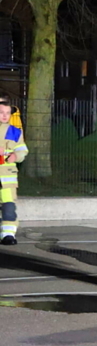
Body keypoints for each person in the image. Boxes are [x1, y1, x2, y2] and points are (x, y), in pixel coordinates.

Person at [0, 99, 28, 245]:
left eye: (7, 113)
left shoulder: (15, 131)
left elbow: (22, 150)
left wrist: (16, 156)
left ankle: (8, 235)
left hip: (7, 177)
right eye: (1, 113)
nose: (5, 116)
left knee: (9, 206)